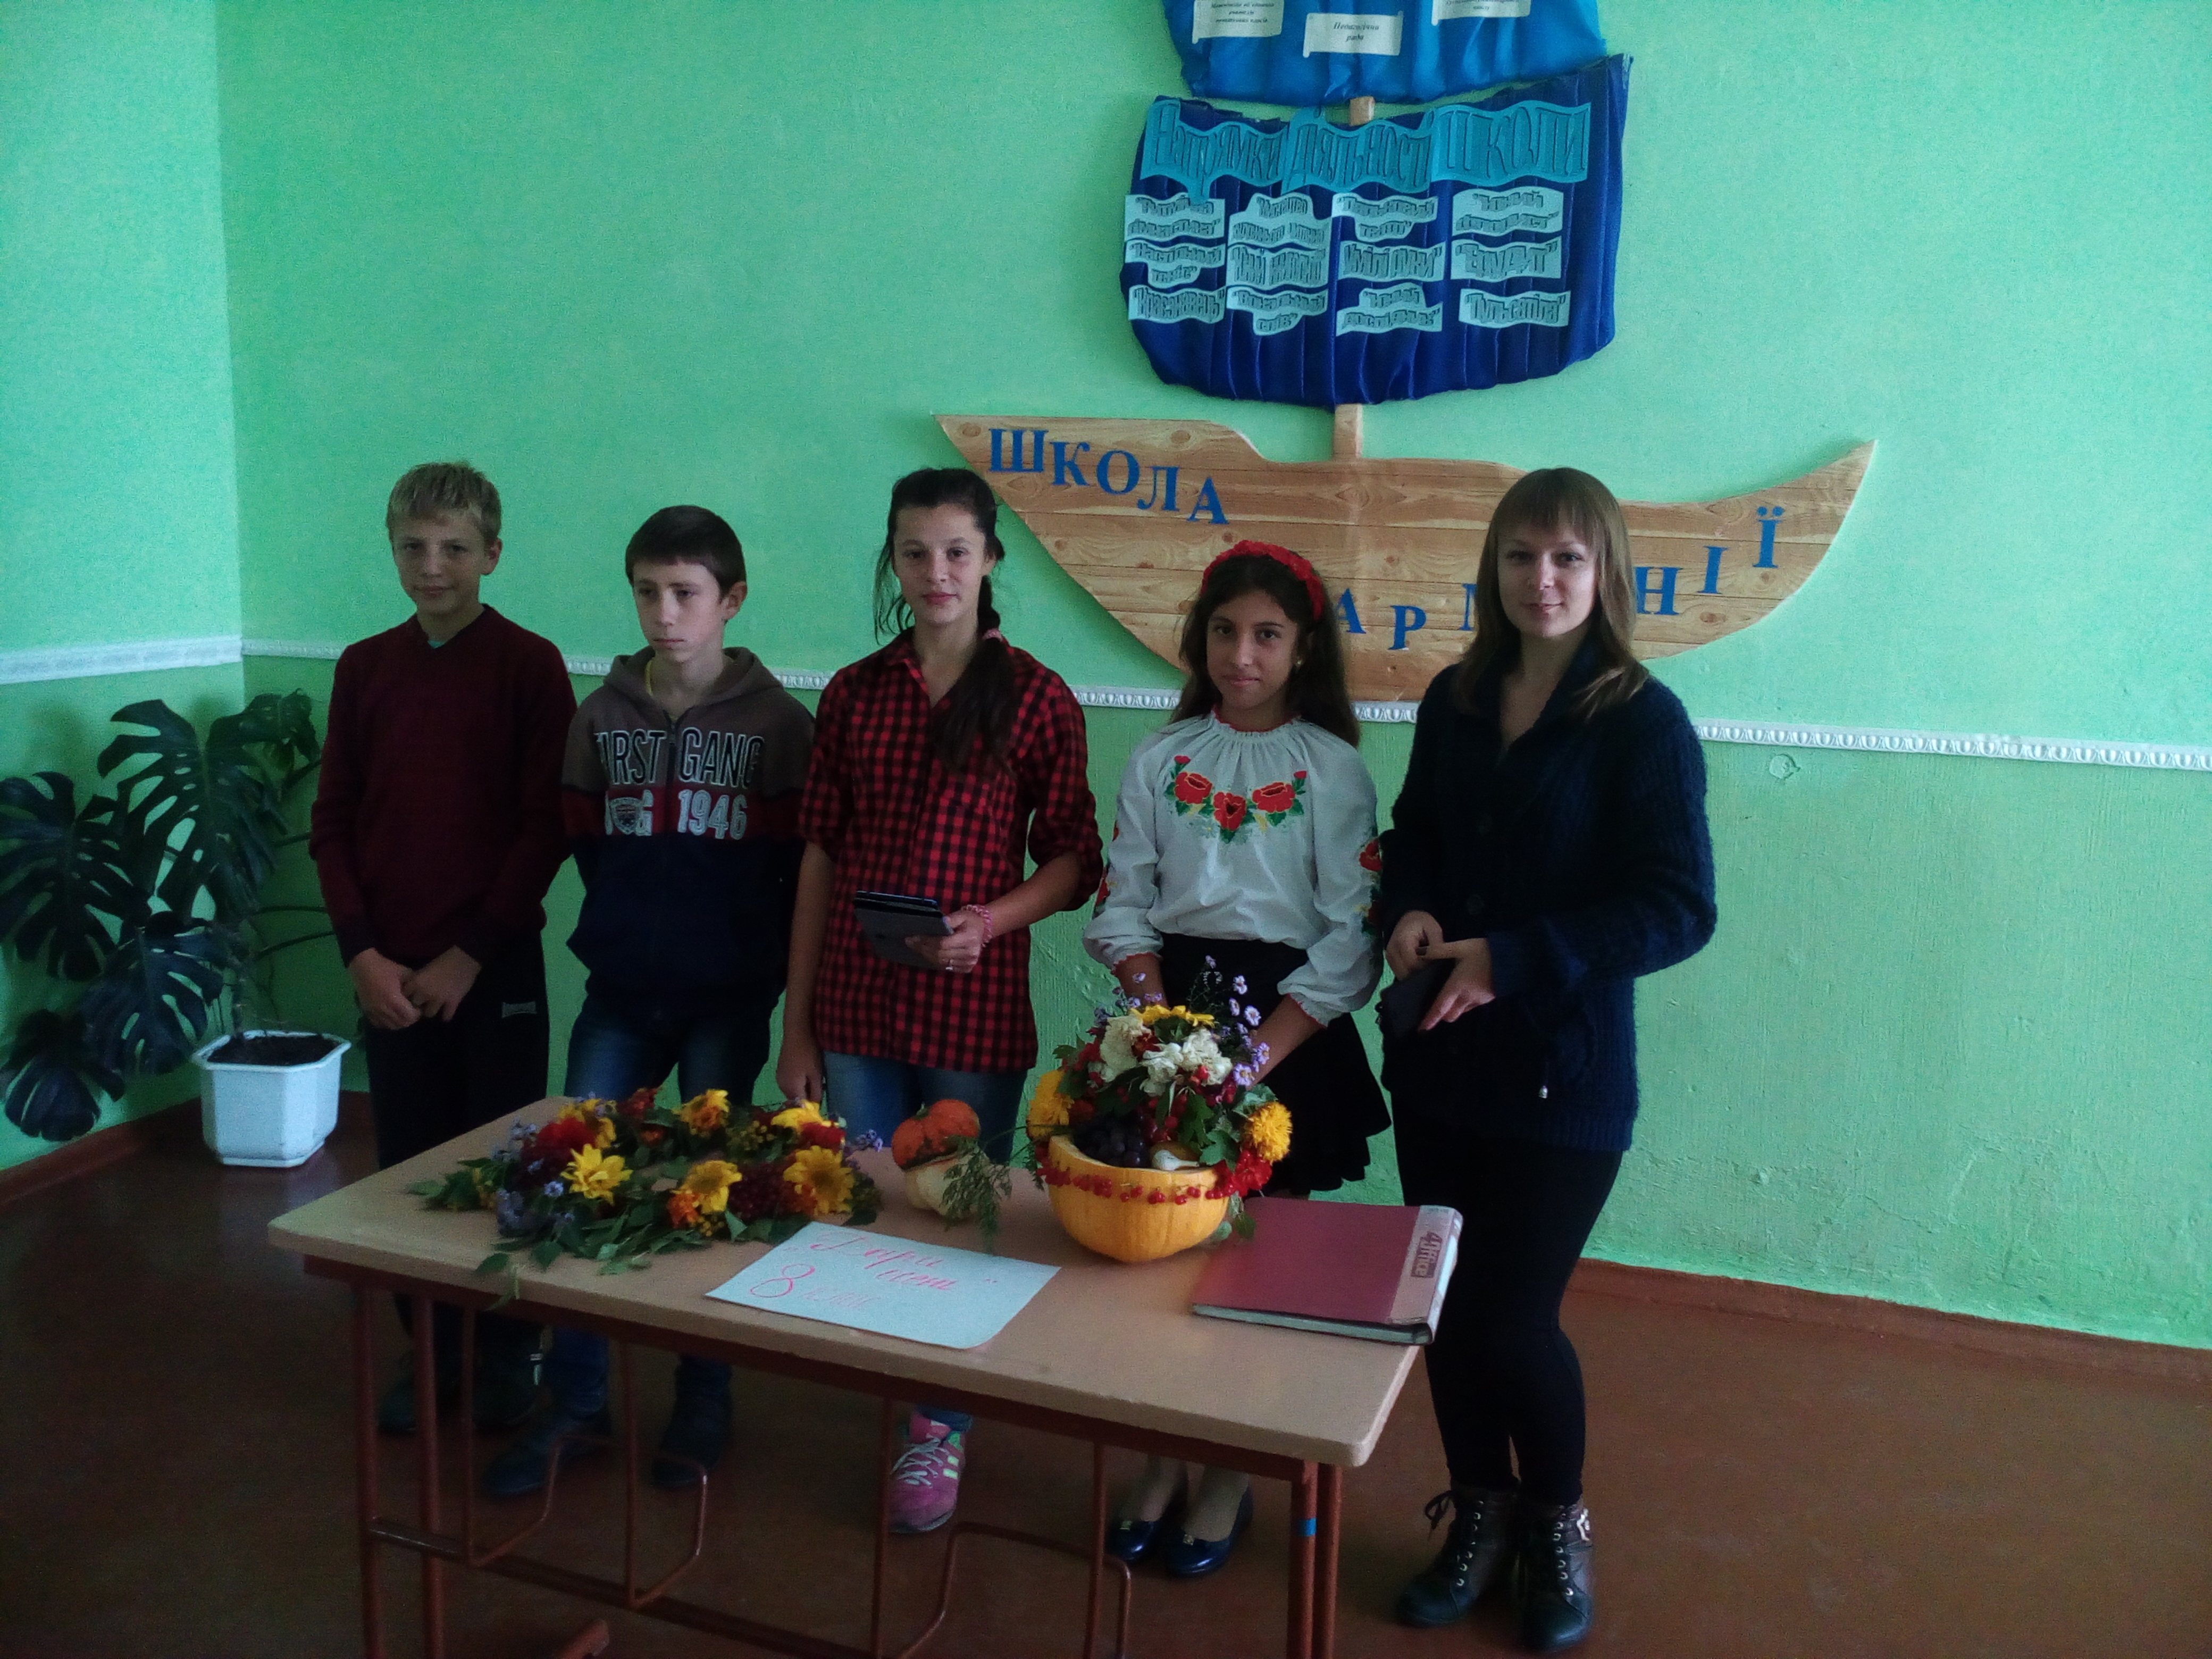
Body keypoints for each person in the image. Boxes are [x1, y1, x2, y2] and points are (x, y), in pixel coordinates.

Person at [1376, 468, 1716, 1653]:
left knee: (1514, 1320)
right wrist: (1409, 912)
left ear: (1607, 571)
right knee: (1443, 1313)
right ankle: (1476, 1510)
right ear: (1494, 568)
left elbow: (1679, 908)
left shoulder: (1643, 721)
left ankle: (1557, 1522)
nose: (1543, 579)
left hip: (1561, 1078)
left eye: (1569, 557)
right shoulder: (1455, 697)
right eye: (1522, 555)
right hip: (1438, 1064)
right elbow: (1415, 835)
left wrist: (1512, 958)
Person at [776, 465, 1103, 1535]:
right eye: (914, 552)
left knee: (960, 1217)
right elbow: (820, 855)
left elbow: (1074, 859)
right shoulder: (853, 694)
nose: (936, 572)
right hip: (856, 1007)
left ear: (991, 559)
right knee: (870, 1205)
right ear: (893, 560)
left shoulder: (1039, 698)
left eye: (957, 550)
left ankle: (938, 1428)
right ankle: (895, 1381)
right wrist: (797, 1021)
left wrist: (989, 922)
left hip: (974, 1011)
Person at [480, 505, 814, 1499]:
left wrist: (750, 963)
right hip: (620, 996)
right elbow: (588, 841)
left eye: (685, 594)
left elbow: (797, 865)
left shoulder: (780, 726)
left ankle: (703, 1393)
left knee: (707, 1191)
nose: (665, 614)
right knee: (578, 1181)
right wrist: (632, 931)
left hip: (726, 999)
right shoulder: (601, 715)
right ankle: (577, 1400)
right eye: (647, 593)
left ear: (731, 600)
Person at [1084, 539, 1385, 1577]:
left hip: (1286, 1032)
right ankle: (1164, 1456)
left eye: (1265, 634)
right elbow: (1125, 900)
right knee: (1161, 1258)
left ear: (1303, 650)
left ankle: (1230, 1469)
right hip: (1174, 1017)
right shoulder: (1160, 759)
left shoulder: (1332, 768)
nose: (1240, 654)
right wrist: (1162, 1033)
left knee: (1258, 1266)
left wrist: (1254, 1057)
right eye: (1223, 631)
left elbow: (1350, 932)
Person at [310, 460, 576, 1436]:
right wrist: (362, 956)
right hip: (390, 975)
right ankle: (433, 1350)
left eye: (455, 548)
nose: (433, 566)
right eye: (414, 547)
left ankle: (509, 1351)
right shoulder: (364, 668)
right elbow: (334, 823)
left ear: (492, 556)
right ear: (392, 552)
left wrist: (470, 954)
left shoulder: (528, 666)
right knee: (409, 1173)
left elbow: (543, 827)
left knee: (508, 1169)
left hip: (490, 971)